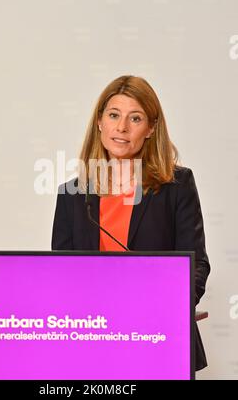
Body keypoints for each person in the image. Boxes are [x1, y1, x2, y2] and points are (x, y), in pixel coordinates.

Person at [51, 75, 210, 371]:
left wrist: (166, 311)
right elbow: (63, 275)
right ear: (100, 122)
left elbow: (197, 265)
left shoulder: (177, 185)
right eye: (113, 115)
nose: (121, 128)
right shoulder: (72, 195)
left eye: (134, 118)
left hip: (158, 338)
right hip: (92, 341)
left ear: (151, 128)